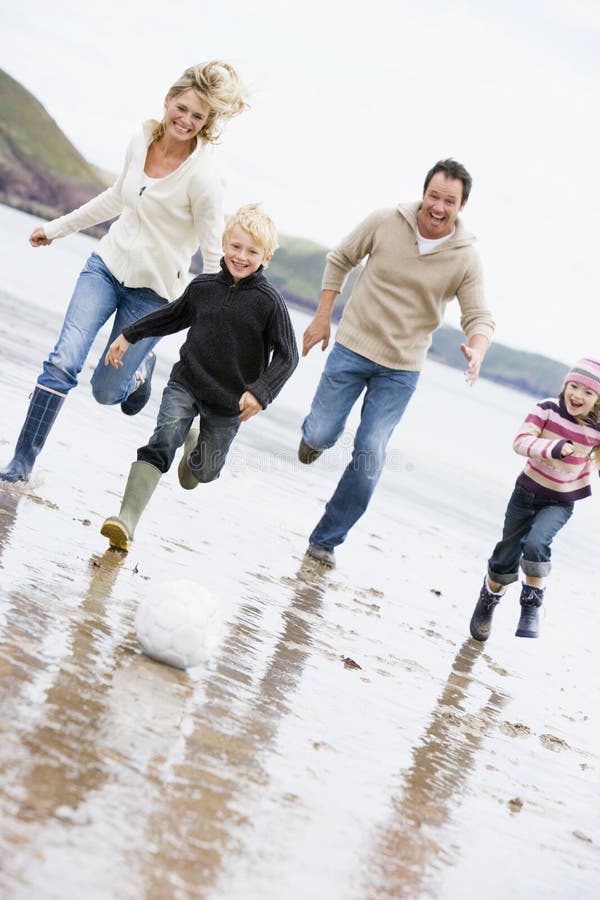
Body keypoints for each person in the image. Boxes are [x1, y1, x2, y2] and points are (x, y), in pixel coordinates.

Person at [1, 61, 249, 484]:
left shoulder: (204, 179)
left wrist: (211, 322)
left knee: (105, 391)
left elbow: (212, 255)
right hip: (105, 266)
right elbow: (116, 198)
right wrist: (56, 229)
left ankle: (139, 372)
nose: (185, 120)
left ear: (207, 123)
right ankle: (21, 463)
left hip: (153, 297)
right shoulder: (141, 140)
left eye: (198, 116)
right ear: (169, 100)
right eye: (183, 108)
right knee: (62, 362)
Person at [298, 159, 495, 567]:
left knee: (370, 455)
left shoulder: (465, 258)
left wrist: (477, 349)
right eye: (434, 196)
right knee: (319, 434)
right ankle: (314, 440)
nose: (439, 208)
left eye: (450, 201)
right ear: (424, 193)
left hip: (402, 369)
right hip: (353, 347)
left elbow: (479, 317)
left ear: (463, 206)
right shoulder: (386, 221)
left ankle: (325, 541)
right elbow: (340, 259)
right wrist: (322, 317)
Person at [100, 203, 299, 551]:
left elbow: (288, 355)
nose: (241, 256)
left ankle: (195, 449)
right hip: (187, 381)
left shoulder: (269, 303)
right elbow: (169, 317)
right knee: (162, 439)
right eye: (235, 246)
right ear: (224, 245)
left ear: (266, 258)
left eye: (252, 251)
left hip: (230, 401)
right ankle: (126, 521)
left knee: (203, 474)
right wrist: (129, 334)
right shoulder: (203, 287)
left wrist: (261, 392)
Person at [469, 358, 600, 642]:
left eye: (588, 392)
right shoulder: (547, 409)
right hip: (525, 494)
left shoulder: (596, 430)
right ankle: (488, 600)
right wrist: (551, 447)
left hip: (560, 501)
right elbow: (520, 441)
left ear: (597, 399)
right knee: (505, 559)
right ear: (566, 385)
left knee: (537, 543)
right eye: (574, 387)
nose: (577, 395)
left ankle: (531, 604)